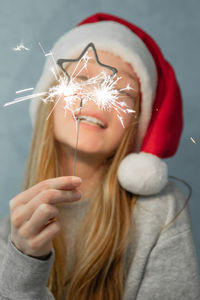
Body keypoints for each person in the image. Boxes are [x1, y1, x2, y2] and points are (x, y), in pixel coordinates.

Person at [0, 12, 200, 300]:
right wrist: (24, 265)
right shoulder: (9, 238)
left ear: (136, 124)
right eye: (81, 77)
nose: (95, 97)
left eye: (120, 91)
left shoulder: (161, 212)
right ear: (49, 99)